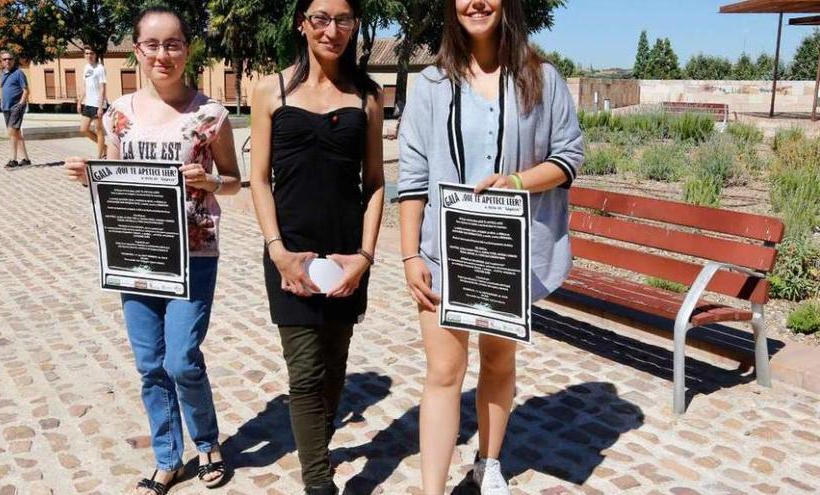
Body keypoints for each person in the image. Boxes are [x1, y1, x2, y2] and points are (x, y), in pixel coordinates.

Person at [397, 0, 585, 493]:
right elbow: (413, 176)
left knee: (498, 361)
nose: (476, 3)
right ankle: (432, 489)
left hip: (505, 254)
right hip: (443, 251)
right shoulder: (431, 85)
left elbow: (569, 157)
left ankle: (489, 460)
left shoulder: (542, 78)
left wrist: (518, 182)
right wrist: (410, 254)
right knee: (444, 370)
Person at [63, 7, 241, 494]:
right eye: (153, 45)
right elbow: (114, 182)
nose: (163, 54)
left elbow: (235, 182)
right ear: (137, 49)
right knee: (149, 363)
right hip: (136, 255)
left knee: (182, 358)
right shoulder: (117, 114)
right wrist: (89, 176)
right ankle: (168, 458)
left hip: (194, 254)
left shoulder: (210, 115)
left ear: (187, 48)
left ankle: (207, 442)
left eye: (174, 44)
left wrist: (211, 180)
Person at [249, 0, 385, 493]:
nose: (333, 29)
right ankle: (318, 482)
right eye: (321, 18)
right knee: (305, 372)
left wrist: (365, 258)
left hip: (347, 253)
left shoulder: (368, 95)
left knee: (333, 367)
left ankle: (317, 444)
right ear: (302, 24)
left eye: (344, 19)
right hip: (290, 251)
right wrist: (277, 250)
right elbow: (259, 180)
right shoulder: (271, 89)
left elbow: (374, 183)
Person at [0, 50, 30, 168]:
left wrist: (21, 104)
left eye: (10, 59)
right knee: (16, 133)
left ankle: (13, 159)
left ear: (13, 60)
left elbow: (26, 90)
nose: (7, 61)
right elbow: (4, 89)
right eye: (5, 59)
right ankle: (26, 159)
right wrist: (2, 103)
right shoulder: (2, 73)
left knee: (11, 132)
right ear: (1, 61)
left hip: (16, 107)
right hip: (5, 107)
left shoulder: (19, 73)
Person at [77, 45, 107, 158]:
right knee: (83, 129)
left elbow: (102, 88)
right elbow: (85, 86)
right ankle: (104, 147)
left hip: (98, 104)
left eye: (91, 53)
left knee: (99, 130)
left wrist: (100, 107)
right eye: (87, 53)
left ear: (95, 55)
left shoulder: (100, 68)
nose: (89, 55)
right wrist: (79, 102)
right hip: (88, 104)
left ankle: (100, 156)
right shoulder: (86, 68)